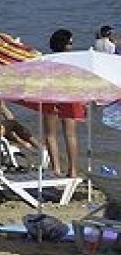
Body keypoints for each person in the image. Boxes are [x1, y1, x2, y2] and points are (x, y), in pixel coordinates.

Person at [42, 29, 83, 177]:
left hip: (51, 96)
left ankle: (56, 169)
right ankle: (72, 170)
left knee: (50, 135)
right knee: (70, 135)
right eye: (71, 42)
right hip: (69, 96)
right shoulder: (74, 61)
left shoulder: (47, 60)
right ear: (66, 44)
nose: (72, 45)